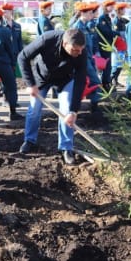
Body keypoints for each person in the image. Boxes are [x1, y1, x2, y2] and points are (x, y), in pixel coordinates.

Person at [17, 29, 87, 165]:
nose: (78, 53)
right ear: (65, 43)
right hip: (42, 78)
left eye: (81, 50)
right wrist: (30, 84)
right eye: (75, 50)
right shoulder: (47, 40)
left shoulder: (81, 53)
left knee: (66, 111)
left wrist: (74, 110)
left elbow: (80, 79)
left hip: (65, 80)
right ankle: (29, 140)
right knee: (34, 110)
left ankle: (66, 147)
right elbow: (23, 56)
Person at [0, 7, 23, 121]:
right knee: (10, 87)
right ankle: (13, 112)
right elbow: (9, 49)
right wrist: (13, 63)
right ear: (0, 17)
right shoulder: (5, 31)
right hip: (4, 63)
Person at [72, 2, 102, 114]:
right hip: (82, 59)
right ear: (82, 14)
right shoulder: (77, 27)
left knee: (87, 83)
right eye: (89, 13)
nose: (91, 15)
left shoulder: (85, 26)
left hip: (89, 58)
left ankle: (91, 106)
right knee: (95, 82)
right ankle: (94, 107)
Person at [96, 0, 119, 91]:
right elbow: (105, 31)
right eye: (111, 6)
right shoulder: (102, 18)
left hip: (108, 44)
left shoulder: (107, 18)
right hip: (103, 45)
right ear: (105, 7)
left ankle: (107, 82)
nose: (112, 8)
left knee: (108, 65)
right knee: (105, 65)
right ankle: (105, 84)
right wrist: (116, 33)